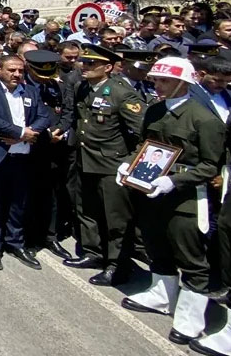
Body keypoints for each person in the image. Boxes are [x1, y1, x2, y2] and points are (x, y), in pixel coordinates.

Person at [120, 57, 223, 348]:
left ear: (183, 83)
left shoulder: (204, 119)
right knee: (157, 244)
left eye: (164, 80)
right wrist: (128, 165)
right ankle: (162, 295)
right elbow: (144, 147)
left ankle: (191, 319)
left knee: (190, 256)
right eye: (155, 79)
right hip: (152, 193)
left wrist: (174, 180)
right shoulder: (154, 110)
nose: (157, 84)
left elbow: (209, 165)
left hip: (186, 198)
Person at [64, 44, 145, 286]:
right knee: (87, 211)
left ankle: (117, 265)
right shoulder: (83, 88)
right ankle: (93, 253)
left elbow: (143, 132)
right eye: (84, 62)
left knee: (116, 219)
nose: (84, 67)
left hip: (113, 164)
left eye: (91, 64)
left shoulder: (122, 93)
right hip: (86, 159)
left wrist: (130, 162)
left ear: (108, 67)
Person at [0, 54, 51, 271]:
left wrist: (28, 134)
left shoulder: (31, 91)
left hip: (23, 157)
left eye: (20, 71)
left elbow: (44, 117)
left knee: (19, 204)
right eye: (12, 70)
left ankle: (16, 243)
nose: (17, 74)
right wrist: (18, 132)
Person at [22, 49, 76, 261]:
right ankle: (29, 237)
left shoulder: (59, 85)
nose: (43, 79)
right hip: (29, 148)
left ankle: (50, 236)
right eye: (38, 74)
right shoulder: (22, 87)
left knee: (51, 195)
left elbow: (68, 111)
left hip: (54, 148)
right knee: (28, 195)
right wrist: (42, 133)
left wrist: (60, 130)